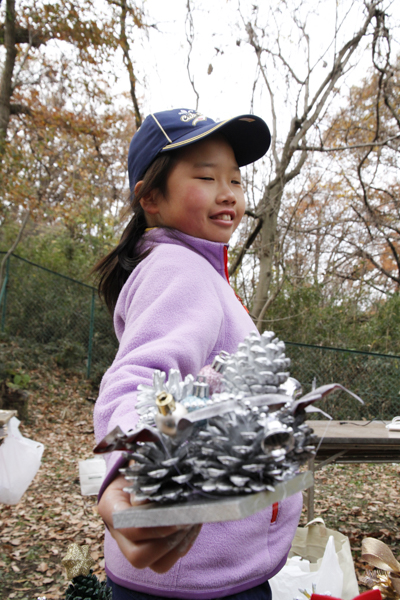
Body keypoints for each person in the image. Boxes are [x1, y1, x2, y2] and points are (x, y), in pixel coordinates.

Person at [93, 108, 303, 600]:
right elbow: (139, 377)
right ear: (150, 197)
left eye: (234, 179)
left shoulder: (196, 272)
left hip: (201, 570)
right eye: (206, 177)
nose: (228, 192)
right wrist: (131, 471)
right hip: (193, 578)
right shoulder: (179, 269)